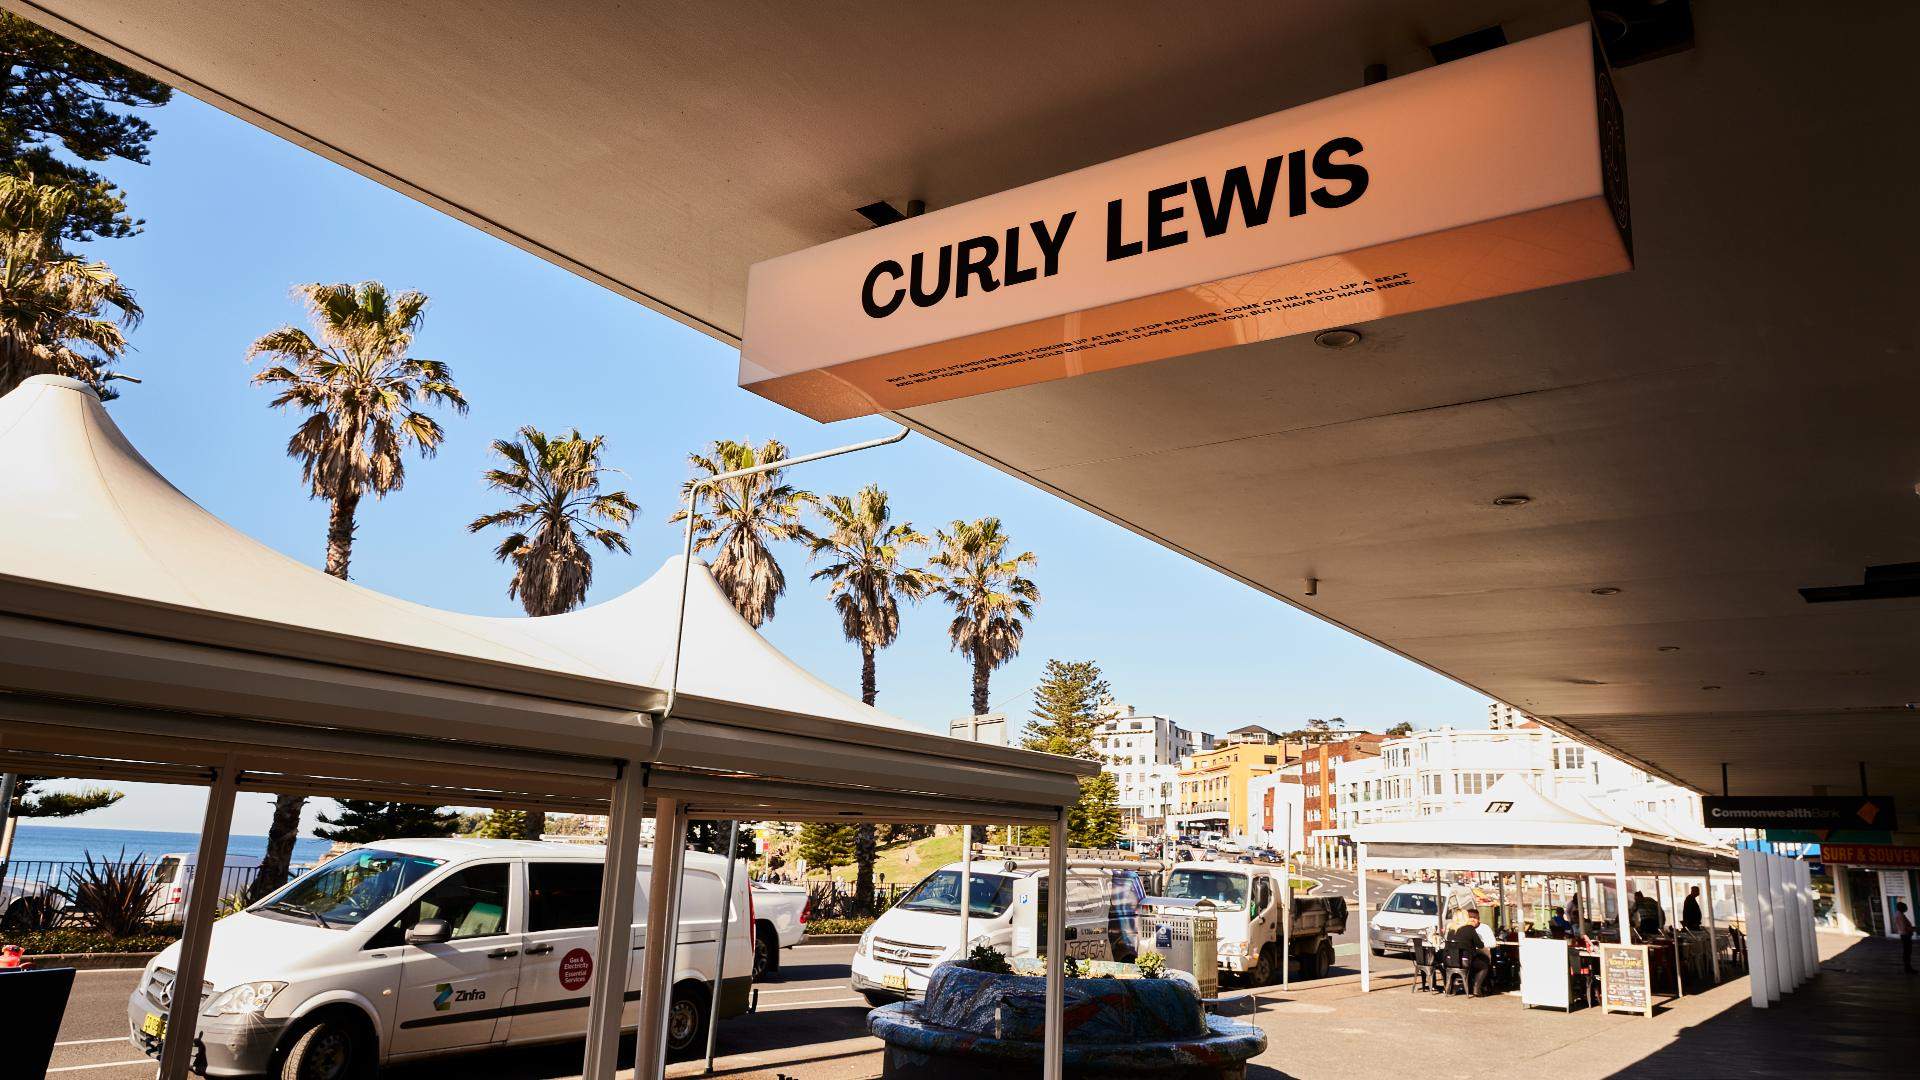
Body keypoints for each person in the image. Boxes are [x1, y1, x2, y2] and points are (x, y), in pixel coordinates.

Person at [1448, 909, 1495, 995]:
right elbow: (1480, 945)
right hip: (1466, 961)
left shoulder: (1451, 929)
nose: (1472, 919)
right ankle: (1476, 988)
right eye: (1470, 917)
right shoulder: (1469, 929)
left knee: (1478, 961)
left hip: (1450, 961)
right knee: (1483, 966)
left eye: (1474, 917)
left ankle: (1451, 987)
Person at [1896, 900, 1915, 974]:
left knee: (1906, 952)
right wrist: (1913, 929)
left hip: (1904, 934)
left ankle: (1908, 967)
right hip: (1905, 935)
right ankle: (1908, 968)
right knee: (1907, 952)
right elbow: (1904, 927)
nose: (1906, 908)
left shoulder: (1899, 914)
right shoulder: (1900, 915)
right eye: (1905, 907)